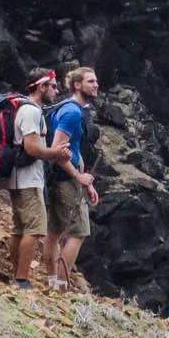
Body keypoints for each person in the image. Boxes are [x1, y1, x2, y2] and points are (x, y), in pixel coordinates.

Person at [7, 71, 71, 292]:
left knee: (19, 228)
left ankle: (16, 275)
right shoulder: (30, 111)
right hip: (28, 179)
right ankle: (22, 279)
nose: (56, 90)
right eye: (52, 86)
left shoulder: (25, 109)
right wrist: (56, 153)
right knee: (34, 229)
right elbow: (31, 147)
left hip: (20, 178)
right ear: (41, 87)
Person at [42, 65, 100, 290]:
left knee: (55, 231)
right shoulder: (72, 112)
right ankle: (62, 286)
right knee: (79, 232)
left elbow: (73, 148)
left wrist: (86, 183)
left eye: (95, 81)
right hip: (66, 179)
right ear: (77, 85)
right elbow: (58, 149)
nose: (96, 85)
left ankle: (51, 282)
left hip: (63, 178)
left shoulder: (70, 109)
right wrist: (78, 176)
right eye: (90, 81)